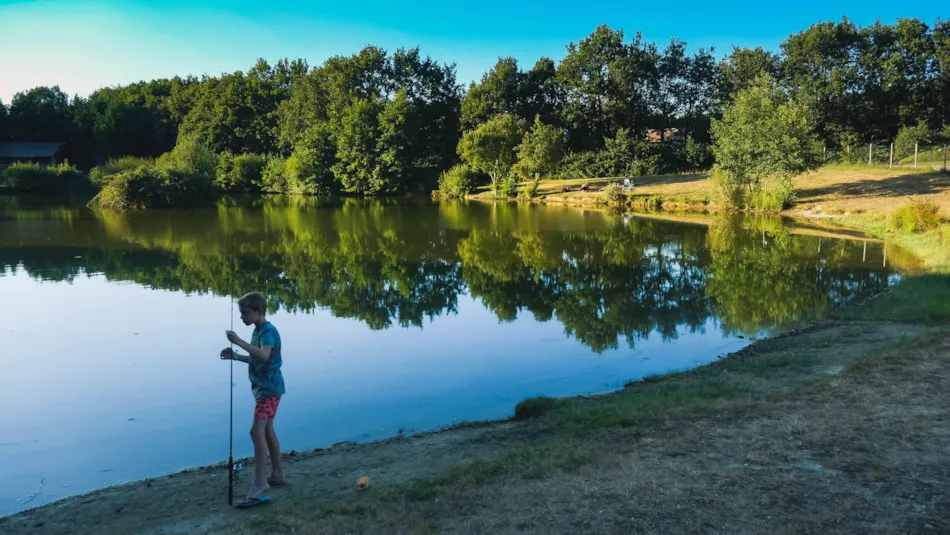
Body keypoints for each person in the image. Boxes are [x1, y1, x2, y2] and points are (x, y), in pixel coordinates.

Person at [220, 291, 286, 506]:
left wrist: (238, 341)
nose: (241, 317)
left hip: (268, 390)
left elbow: (265, 355)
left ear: (259, 311)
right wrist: (236, 356)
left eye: (244, 313)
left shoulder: (267, 332)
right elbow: (258, 357)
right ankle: (276, 475)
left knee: (255, 431)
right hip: (265, 389)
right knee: (267, 430)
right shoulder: (259, 331)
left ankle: (260, 482)